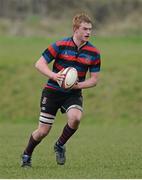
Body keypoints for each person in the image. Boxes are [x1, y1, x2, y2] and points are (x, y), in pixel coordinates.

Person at [21, 13, 101, 167]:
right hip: (52, 91)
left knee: (76, 118)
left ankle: (60, 144)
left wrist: (77, 86)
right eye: (85, 29)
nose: (88, 32)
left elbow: (94, 80)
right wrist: (54, 76)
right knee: (43, 131)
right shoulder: (60, 45)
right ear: (75, 29)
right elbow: (39, 64)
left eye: (90, 29)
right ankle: (26, 155)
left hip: (73, 93)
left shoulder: (94, 53)